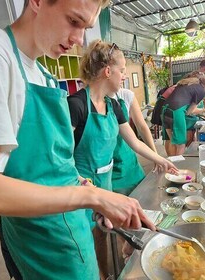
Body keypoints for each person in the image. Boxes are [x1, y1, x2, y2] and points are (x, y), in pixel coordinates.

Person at [0, 1, 155, 279]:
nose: (79, 39)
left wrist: (94, 196)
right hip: (41, 245)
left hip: (73, 230)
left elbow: (54, 165)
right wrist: (91, 196)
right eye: (73, 21)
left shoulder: (43, 74)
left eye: (86, 27)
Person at [68, 40, 177, 278]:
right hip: (78, 186)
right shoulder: (76, 105)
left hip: (104, 183)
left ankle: (106, 274)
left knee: (101, 234)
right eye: (123, 70)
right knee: (82, 241)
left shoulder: (114, 105)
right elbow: (62, 158)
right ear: (108, 71)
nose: (125, 76)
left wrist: (161, 160)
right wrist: (85, 187)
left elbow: (134, 141)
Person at [110, 88, 157, 195]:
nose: (124, 76)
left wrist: (155, 156)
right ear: (107, 71)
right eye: (121, 71)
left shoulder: (125, 95)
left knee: (142, 194)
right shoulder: (85, 102)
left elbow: (141, 127)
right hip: (107, 165)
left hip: (128, 159)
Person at [161, 73, 205, 156]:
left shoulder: (187, 83)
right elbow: (190, 111)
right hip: (176, 112)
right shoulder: (201, 91)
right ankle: (177, 167)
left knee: (173, 142)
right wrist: (203, 110)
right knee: (181, 144)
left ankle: (172, 165)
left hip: (165, 111)